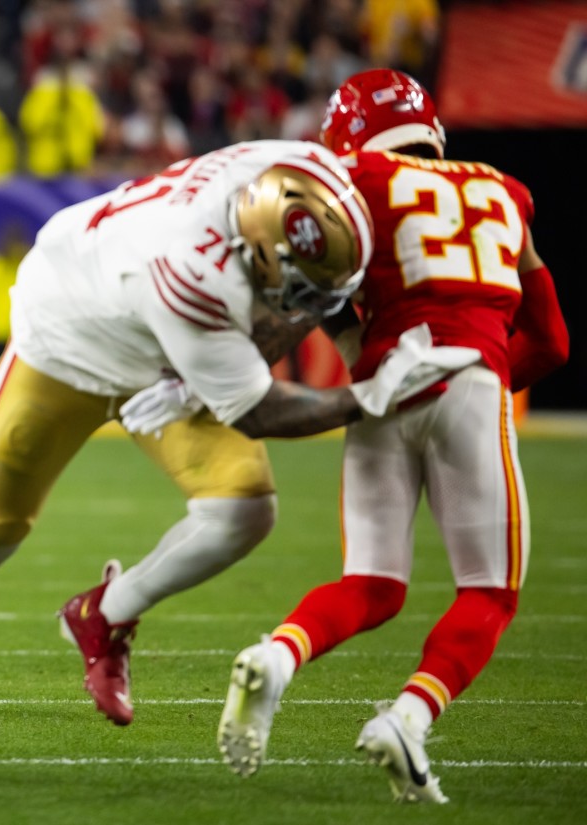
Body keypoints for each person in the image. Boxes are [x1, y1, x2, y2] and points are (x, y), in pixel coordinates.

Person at [0, 136, 478, 782]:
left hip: (171, 340)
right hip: (70, 341)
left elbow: (318, 298)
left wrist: (354, 338)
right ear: (256, 246)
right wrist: (367, 396)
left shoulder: (303, 180)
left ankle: (104, 613)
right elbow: (258, 409)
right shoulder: (191, 273)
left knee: (244, 511)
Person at [212, 69, 569, 803]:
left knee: (371, 583)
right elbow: (554, 340)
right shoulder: (505, 189)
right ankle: (409, 716)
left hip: (380, 387)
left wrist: (358, 354)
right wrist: (490, 374)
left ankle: (274, 657)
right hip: (472, 377)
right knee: (490, 592)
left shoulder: (352, 178)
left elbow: (320, 294)